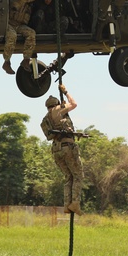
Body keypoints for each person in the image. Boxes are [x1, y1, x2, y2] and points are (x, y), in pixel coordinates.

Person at [40, 83, 84, 215]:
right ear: (56, 103)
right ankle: (75, 203)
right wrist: (66, 92)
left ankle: (67, 205)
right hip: (67, 147)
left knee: (68, 176)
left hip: (56, 150)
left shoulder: (46, 118)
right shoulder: (59, 109)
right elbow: (74, 104)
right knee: (78, 175)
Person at [2, 0, 59, 74]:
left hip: (19, 26)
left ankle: (26, 60)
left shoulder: (29, 5)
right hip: (9, 24)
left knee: (31, 33)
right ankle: (6, 62)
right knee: (12, 36)